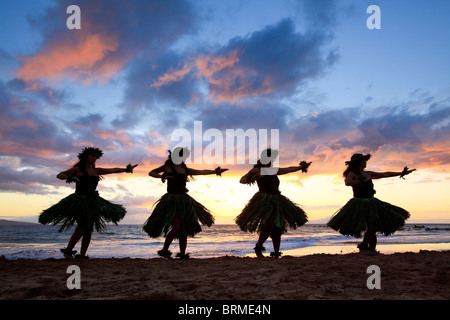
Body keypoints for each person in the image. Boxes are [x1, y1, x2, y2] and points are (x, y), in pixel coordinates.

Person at [39, 147, 138, 259]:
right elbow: (60, 175)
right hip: (80, 201)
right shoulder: (77, 169)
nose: (94, 158)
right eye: (92, 156)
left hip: (92, 201)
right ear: (86, 157)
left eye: (96, 157)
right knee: (82, 226)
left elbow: (112, 170)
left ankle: (82, 254)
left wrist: (126, 169)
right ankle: (68, 251)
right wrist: (70, 177)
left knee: (88, 229)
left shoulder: (96, 171)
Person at [143, 147, 228, 259]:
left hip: (184, 200)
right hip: (172, 200)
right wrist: (162, 176)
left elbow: (201, 172)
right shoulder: (167, 167)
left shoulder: (184, 169)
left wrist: (215, 171)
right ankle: (164, 250)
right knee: (176, 226)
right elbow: (151, 172)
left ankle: (182, 254)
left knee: (182, 228)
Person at [327, 153, 416, 252]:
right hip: (359, 202)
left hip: (372, 202)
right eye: (364, 160)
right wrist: (364, 180)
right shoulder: (352, 173)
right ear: (358, 162)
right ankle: (365, 245)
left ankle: (370, 248)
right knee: (371, 227)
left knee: (372, 226)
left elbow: (384, 174)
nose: (365, 162)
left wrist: (401, 173)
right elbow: (348, 182)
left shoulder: (367, 173)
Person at [235, 149, 310, 258]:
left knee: (277, 227)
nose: (270, 161)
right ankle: (258, 247)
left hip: (277, 200)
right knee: (269, 223)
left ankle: (276, 253)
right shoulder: (256, 170)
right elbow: (242, 180)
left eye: (272, 159)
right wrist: (251, 178)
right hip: (264, 201)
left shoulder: (273, 170)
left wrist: (301, 167)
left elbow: (288, 169)